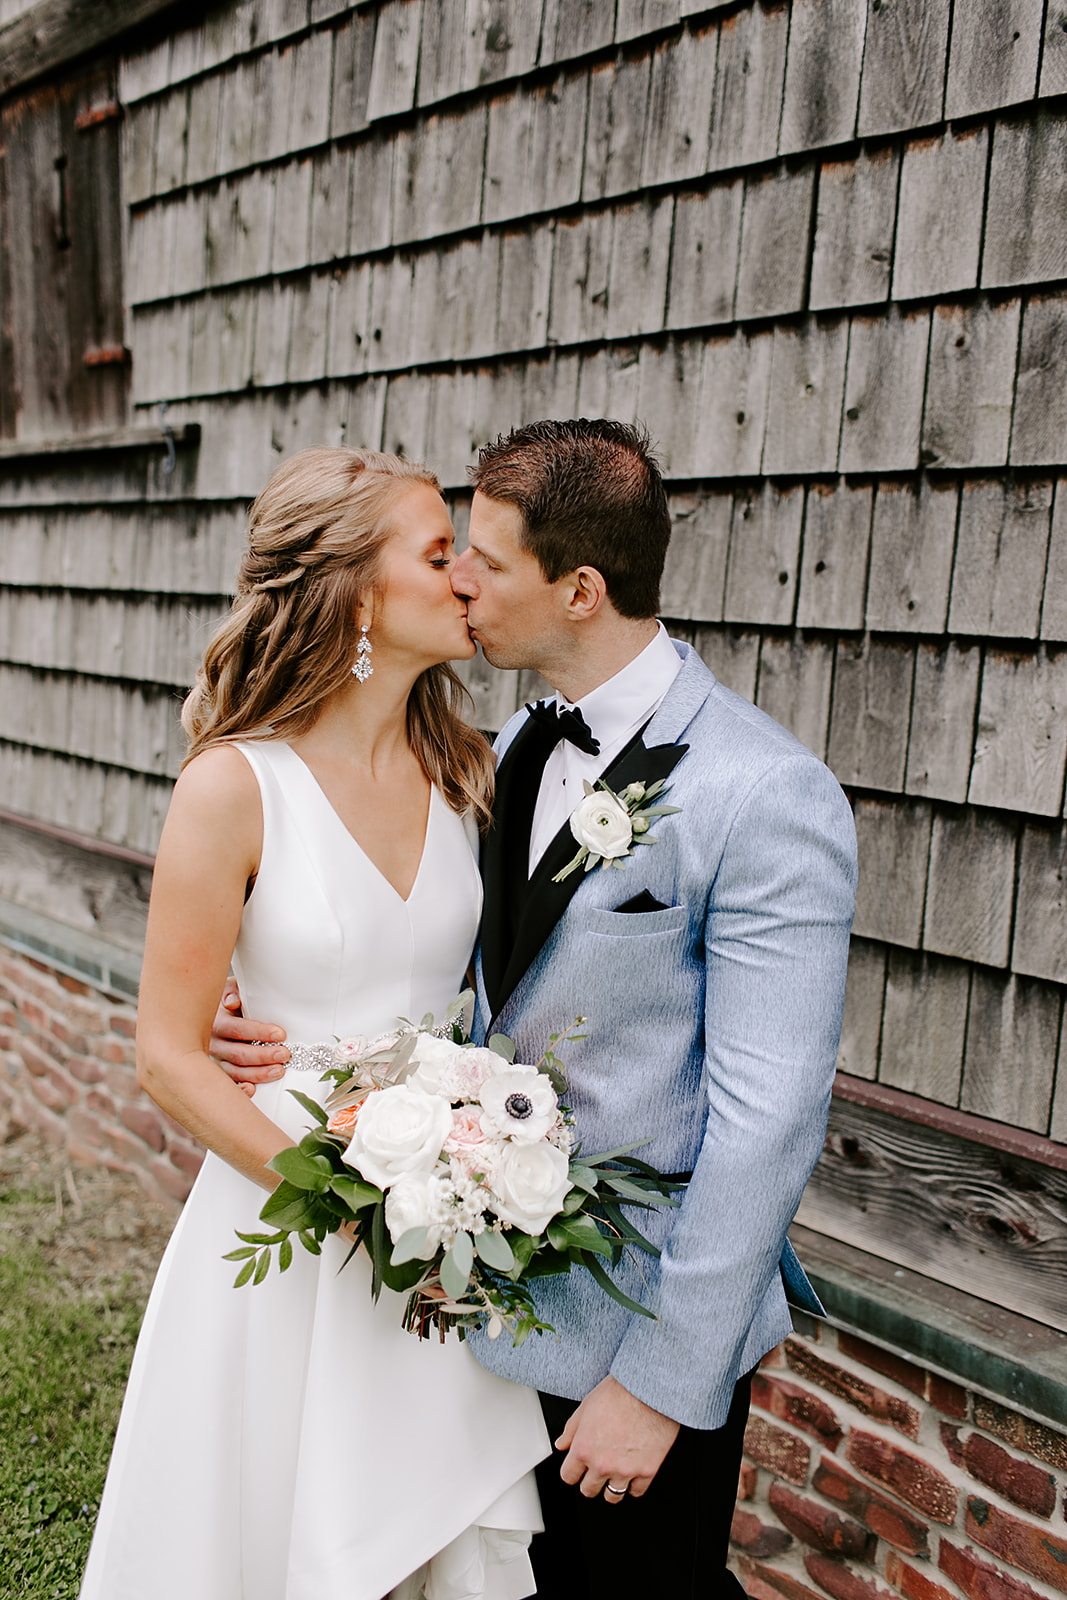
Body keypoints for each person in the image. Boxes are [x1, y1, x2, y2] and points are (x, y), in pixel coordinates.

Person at [216, 420, 857, 1598]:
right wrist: (261, 1013)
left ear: (578, 588)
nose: (458, 576)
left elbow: (765, 1124)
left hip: (628, 1330)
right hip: (473, 1311)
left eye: (486, 561)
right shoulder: (498, 750)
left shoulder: (763, 794)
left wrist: (661, 1384)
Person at [79, 447, 549, 1600]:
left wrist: (453, 1184)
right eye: (437, 555)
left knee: (421, 1533)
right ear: (350, 590)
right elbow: (169, 1055)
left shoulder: (470, 774)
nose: (465, 580)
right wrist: (345, 1204)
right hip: (292, 1224)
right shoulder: (233, 787)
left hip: (443, 1220)